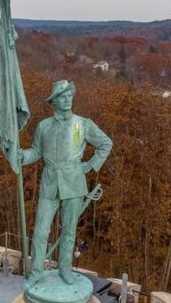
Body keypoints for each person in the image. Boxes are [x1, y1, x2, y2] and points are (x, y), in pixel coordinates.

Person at [20, 80, 113, 287]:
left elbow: (106, 143)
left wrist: (90, 166)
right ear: (54, 101)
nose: (68, 99)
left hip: (74, 182)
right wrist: (20, 156)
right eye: (63, 96)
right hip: (50, 183)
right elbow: (35, 152)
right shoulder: (43, 126)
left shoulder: (82, 124)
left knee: (69, 231)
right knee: (41, 231)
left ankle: (65, 270)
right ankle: (36, 272)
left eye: (70, 95)